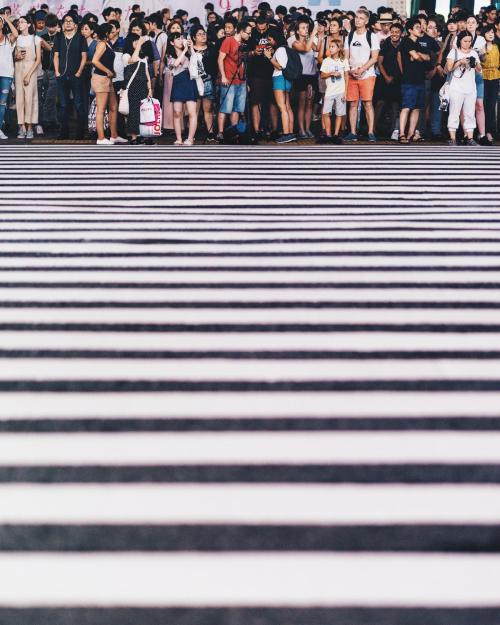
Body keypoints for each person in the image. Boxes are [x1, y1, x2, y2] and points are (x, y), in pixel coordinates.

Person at [344, 8, 379, 141]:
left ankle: (370, 132)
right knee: (352, 104)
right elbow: (346, 56)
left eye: (361, 18)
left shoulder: (372, 36)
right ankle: (353, 132)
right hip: (352, 74)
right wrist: (351, 70)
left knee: (367, 103)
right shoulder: (350, 36)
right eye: (356, 17)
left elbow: (374, 57)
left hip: (367, 75)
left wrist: (362, 69)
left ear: (366, 21)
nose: (358, 20)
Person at [54, 12, 88, 140]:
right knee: (63, 105)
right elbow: (56, 56)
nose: (68, 22)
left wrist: (79, 72)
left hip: (76, 76)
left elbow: (84, 57)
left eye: (70, 21)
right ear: (62, 24)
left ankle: (80, 133)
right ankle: (64, 133)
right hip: (61, 76)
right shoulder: (58, 37)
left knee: (79, 104)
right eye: (65, 21)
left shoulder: (80, 38)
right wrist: (57, 72)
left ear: (75, 24)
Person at [91, 23, 127, 145]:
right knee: (101, 109)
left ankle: (114, 135)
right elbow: (95, 61)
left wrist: (112, 72)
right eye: (111, 32)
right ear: (106, 33)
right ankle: (100, 138)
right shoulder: (101, 44)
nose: (114, 33)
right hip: (101, 78)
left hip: (108, 79)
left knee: (113, 107)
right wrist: (107, 71)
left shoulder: (107, 43)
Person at [217, 20, 252, 141]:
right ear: (241, 31)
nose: (249, 35)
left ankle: (234, 131)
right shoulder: (229, 40)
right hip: (229, 79)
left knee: (237, 108)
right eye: (248, 32)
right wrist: (223, 76)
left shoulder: (243, 44)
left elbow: (242, 64)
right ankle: (221, 132)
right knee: (225, 107)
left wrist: (245, 81)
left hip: (240, 80)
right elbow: (220, 58)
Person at [445, 30, 482, 146]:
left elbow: (479, 70)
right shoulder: (454, 52)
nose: (467, 43)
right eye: (465, 41)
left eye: (469, 41)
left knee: (470, 113)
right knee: (454, 112)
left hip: (470, 87)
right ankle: (453, 138)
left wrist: (475, 63)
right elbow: (449, 68)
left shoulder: (474, 53)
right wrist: (460, 62)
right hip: (456, 87)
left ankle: (470, 138)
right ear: (460, 40)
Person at [397, 17, 430, 144]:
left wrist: (419, 56)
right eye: (417, 27)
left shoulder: (419, 43)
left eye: (420, 26)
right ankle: (402, 134)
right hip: (409, 80)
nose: (420, 29)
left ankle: (411, 133)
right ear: (410, 30)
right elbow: (417, 57)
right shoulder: (406, 41)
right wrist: (419, 56)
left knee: (417, 108)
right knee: (406, 107)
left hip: (419, 79)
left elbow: (427, 57)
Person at [247, 15, 279, 140]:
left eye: (263, 27)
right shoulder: (252, 33)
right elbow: (245, 51)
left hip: (273, 71)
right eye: (258, 27)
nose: (260, 30)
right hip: (256, 73)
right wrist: (254, 52)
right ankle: (256, 130)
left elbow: (284, 46)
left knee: (273, 102)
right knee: (256, 102)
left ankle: (274, 130)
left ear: (267, 24)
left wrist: (274, 44)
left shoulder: (274, 32)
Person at [167, 31, 198, 145]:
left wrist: (191, 48)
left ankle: (190, 138)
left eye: (181, 38)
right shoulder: (170, 55)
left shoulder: (189, 52)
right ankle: (179, 138)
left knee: (191, 112)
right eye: (178, 39)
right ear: (171, 42)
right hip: (178, 81)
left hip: (189, 80)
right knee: (177, 112)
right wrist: (184, 50)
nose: (181, 40)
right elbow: (174, 64)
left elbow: (196, 61)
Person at [289, 16, 318, 139]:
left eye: (307, 27)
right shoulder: (292, 41)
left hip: (312, 75)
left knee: (310, 103)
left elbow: (316, 49)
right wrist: (312, 36)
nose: (306, 29)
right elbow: (305, 49)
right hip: (300, 76)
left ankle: (308, 128)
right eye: (303, 28)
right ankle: (301, 130)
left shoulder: (310, 39)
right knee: (301, 103)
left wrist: (312, 38)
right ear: (297, 30)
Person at [264, 26, 295, 143]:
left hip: (279, 79)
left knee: (282, 108)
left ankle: (286, 134)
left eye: (270, 39)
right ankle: (291, 132)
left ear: (275, 39)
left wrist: (270, 57)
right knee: (287, 107)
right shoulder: (285, 48)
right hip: (286, 80)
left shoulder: (280, 50)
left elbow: (280, 66)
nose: (269, 42)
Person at [14, 15, 42, 140]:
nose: (20, 24)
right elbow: (14, 56)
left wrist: (29, 74)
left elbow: (38, 60)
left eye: (22, 22)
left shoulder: (35, 38)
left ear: (29, 24)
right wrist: (17, 57)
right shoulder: (16, 38)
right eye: (18, 22)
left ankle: (30, 126)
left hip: (31, 68)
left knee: (30, 99)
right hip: (18, 68)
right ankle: (21, 126)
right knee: (19, 99)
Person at [122, 33, 153, 144]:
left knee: (144, 111)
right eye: (135, 41)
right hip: (133, 87)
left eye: (138, 41)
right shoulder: (126, 56)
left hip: (143, 86)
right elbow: (133, 60)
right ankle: (134, 136)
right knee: (134, 111)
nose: (137, 43)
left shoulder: (143, 57)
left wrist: (150, 89)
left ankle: (142, 134)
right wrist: (139, 44)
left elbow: (147, 74)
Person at [375, 22, 402, 139]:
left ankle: (394, 130)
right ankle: (373, 128)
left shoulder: (404, 44)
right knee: (380, 103)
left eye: (397, 32)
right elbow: (379, 62)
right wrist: (386, 76)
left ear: (401, 33)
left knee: (395, 105)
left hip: (399, 79)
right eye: (393, 32)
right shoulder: (386, 43)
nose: (394, 34)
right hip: (384, 78)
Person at [320, 37, 349, 143]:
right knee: (325, 112)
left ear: (339, 48)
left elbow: (347, 76)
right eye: (330, 47)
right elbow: (322, 75)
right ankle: (328, 134)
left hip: (340, 90)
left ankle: (336, 134)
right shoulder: (326, 61)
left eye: (333, 47)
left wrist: (346, 91)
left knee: (339, 113)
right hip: (330, 90)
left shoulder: (344, 60)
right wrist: (331, 73)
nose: (330, 49)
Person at [191, 25, 217, 140]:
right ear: (193, 37)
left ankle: (210, 133)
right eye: (199, 34)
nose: (203, 36)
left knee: (208, 108)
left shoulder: (211, 48)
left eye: (204, 33)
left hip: (208, 81)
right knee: (194, 109)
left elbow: (215, 66)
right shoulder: (189, 50)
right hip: (194, 82)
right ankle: (192, 133)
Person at [466, 14, 488, 144]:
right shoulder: (460, 37)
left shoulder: (481, 39)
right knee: (465, 106)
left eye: (473, 22)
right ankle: (465, 134)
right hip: (464, 76)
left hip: (478, 75)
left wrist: (481, 53)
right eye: (468, 22)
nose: (470, 24)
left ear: (477, 25)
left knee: (479, 105)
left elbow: (484, 59)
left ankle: (482, 134)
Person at [37, 12, 58, 135]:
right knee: (45, 96)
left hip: (56, 71)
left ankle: (44, 120)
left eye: (53, 26)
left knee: (50, 97)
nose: (51, 28)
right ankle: (52, 120)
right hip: (44, 70)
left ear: (56, 25)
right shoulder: (42, 37)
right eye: (49, 26)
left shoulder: (61, 37)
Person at [0, 11, 18, 140]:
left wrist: (6, 19)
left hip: (6, 75)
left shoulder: (8, 38)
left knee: (2, 104)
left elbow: (16, 34)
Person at [481, 24, 499, 144]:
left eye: (492, 32)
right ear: (483, 35)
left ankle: (490, 131)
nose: (491, 34)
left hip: (495, 77)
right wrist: (482, 53)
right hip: (482, 77)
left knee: (491, 106)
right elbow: (481, 60)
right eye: (488, 32)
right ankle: (482, 131)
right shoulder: (480, 47)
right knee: (482, 105)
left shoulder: (497, 46)